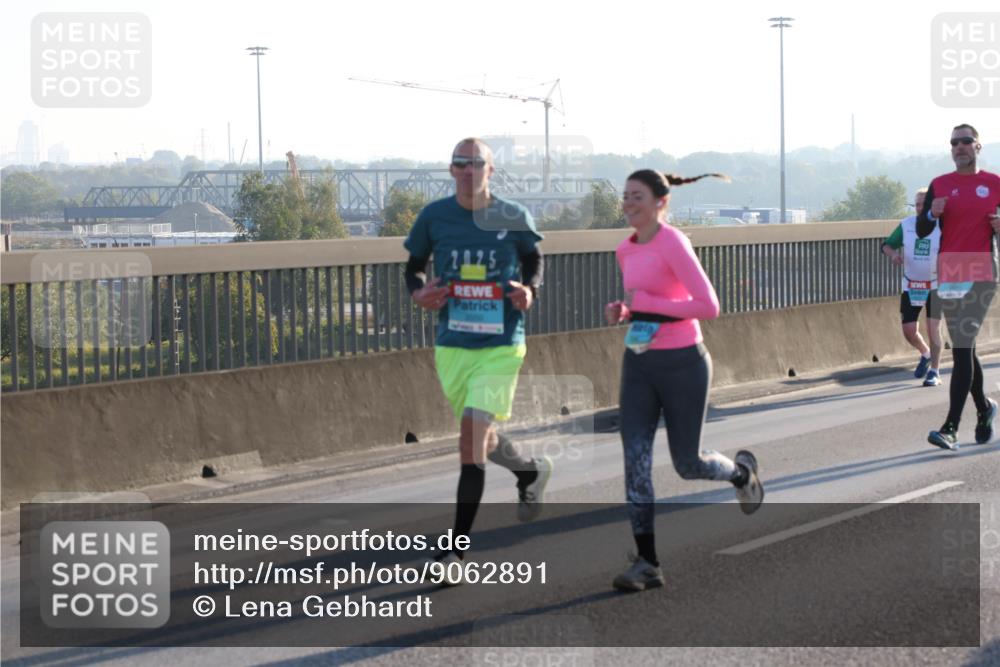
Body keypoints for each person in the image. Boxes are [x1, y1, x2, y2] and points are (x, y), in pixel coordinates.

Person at [605, 169, 764, 593]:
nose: (629, 203)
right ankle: (647, 562)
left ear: (661, 202)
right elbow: (644, 305)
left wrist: (648, 304)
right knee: (635, 461)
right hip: (639, 362)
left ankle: (740, 473)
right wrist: (625, 311)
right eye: (626, 195)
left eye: (637, 196)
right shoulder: (625, 249)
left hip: (683, 363)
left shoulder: (673, 242)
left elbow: (708, 306)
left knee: (687, 463)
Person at [404, 138, 552, 585]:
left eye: (476, 163)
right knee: (481, 439)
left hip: (502, 344)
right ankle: (529, 471)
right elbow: (414, 266)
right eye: (460, 163)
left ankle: (455, 551)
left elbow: (533, 258)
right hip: (453, 343)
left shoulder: (513, 215)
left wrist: (530, 290)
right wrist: (418, 292)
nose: (468, 170)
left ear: (491, 169)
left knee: (470, 440)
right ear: (451, 171)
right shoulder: (434, 216)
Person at [918, 124, 1000, 450]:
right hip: (951, 271)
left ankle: (950, 427)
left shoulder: (994, 184)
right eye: (954, 142)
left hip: (982, 270)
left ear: (978, 146)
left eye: (966, 141)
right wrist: (931, 214)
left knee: (963, 346)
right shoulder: (939, 184)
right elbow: (922, 230)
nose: (959, 146)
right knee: (965, 348)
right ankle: (984, 408)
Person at [881, 188, 944, 386]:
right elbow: (887, 245)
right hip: (912, 285)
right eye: (916, 204)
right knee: (908, 330)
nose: (919, 208)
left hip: (935, 285)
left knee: (933, 329)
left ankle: (934, 372)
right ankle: (926, 353)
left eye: (923, 204)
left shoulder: (943, 225)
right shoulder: (907, 224)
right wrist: (893, 254)